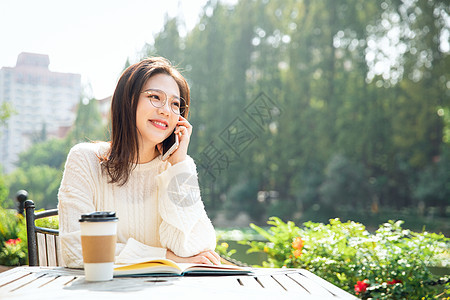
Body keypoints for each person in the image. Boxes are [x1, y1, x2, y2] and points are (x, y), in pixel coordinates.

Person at [58, 57, 219, 269]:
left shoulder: (175, 169)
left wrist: (179, 164)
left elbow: (198, 248)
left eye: (175, 104)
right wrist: (165, 257)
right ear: (128, 100)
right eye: (155, 97)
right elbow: (77, 250)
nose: (165, 110)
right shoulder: (85, 160)